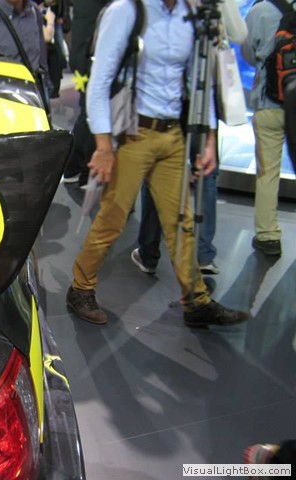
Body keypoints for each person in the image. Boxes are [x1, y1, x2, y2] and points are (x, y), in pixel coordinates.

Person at [66, 0, 249, 328]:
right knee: (112, 218)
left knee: (182, 221)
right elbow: (99, 82)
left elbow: (198, 81)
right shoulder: (127, 11)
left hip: (172, 135)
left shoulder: (189, 15)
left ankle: (195, 300)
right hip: (133, 134)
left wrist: (208, 138)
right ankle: (80, 288)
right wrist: (104, 145)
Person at [130, 0, 248, 276]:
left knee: (156, 172)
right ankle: (203, 254)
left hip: (166, 94)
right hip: (202, 95)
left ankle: (149, 252)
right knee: (206, 174)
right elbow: (240, 34)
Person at [241, 0, 292, 257]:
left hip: (268, 102)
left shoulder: (259, 10)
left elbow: (248, 54)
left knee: (267, 173)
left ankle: (268, 236)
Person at [61, 0, 108, 187]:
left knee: (88, 116)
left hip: (88, 65)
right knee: (89, 117)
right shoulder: (94, 6)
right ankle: (80, 170)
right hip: (90, 67)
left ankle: (78, 169)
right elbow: (86, 36)